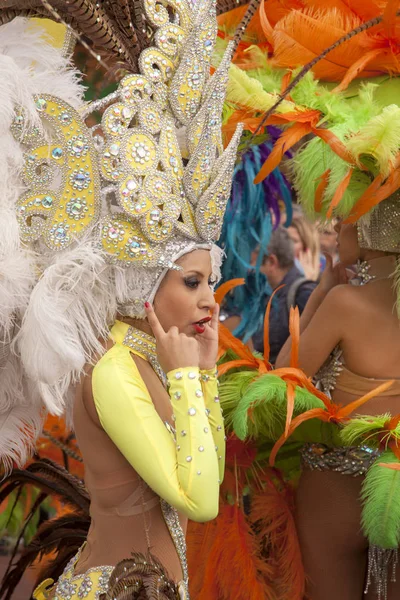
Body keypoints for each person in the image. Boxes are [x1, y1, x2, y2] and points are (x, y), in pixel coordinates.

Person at [0, 3, 242, 598]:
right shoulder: (111, 368)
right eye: (191, 282)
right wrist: (191, 380)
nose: (209, 299)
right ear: (142, 280)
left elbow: (202, 469)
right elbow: (200, 499)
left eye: (211, 280)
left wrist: (201, 372)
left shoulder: (149, 354)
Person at [252, 227, 316, 363]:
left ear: (271, 262)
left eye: (252, 263)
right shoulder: (263, 294)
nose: (248, 269)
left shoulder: (304, 294)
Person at [287, 214, 321, 281]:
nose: (286, 244)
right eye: (285, 238)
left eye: (294, 241)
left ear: (307, 247)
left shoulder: (324, 278)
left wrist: (307, 281)